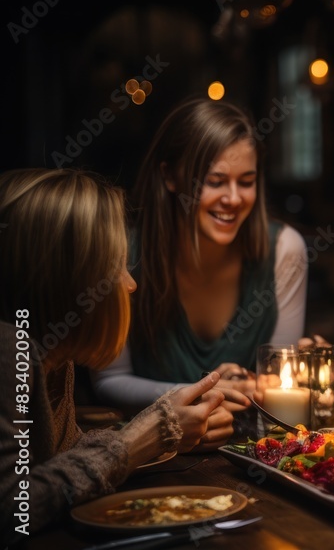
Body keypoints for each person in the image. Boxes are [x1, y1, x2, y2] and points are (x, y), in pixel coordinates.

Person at [0, 168, 249, 544]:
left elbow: (57, 463)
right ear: (69, 279)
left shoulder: (53, 357)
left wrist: (159, 434)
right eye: (115, 266)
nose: (131, 284)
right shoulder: (8, 350)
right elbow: (13, 511)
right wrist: (141, 438)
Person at [91, 98, 308, 415]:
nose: (233, 198)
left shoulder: (285, 250)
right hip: (153, 456)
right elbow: (109, 380)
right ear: (170, 177)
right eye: (214, 181)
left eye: (246, 182)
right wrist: (198, 393)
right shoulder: (121, 251)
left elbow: (279, 392)